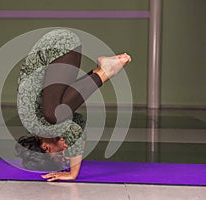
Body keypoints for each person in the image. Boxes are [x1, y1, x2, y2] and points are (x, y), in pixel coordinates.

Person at [15, 29, 131, 181]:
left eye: (60, 156)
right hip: (60, 47)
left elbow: (75, 131)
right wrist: (76, 145)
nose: (65, 151)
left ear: (46, 148)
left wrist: (73, 173)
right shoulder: (41, 126)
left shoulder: (37, 125)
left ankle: (105, 71)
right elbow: (79, 122)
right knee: (60, 109)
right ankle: (102, 70)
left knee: (53, 114)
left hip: (57, 45)